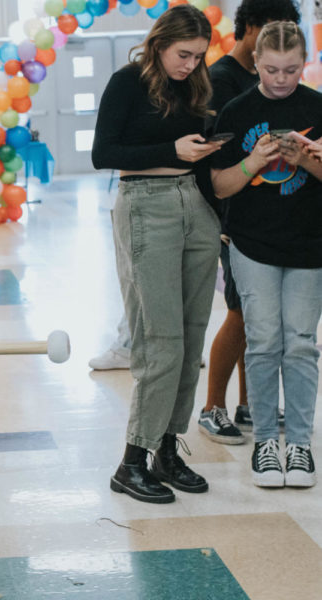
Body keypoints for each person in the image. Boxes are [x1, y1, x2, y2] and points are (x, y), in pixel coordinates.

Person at [92, 5, 226, 504]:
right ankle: (132, 461)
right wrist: (173, 150)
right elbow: (104, 154)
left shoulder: (196, 86)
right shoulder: (127, 82)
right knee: (161, 340)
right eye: (182, 54)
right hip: (146, 205)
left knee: (192, 342)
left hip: (195, 206)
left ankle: (167, 450)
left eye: (197, 56)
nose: (190, 64)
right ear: (159, 43)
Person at [211, 20, 322, 488]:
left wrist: (309, 161)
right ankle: (265, 446)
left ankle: (298, 443)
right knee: (263, 341)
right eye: (272, 69)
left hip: (309, 246)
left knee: (300, 341)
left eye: (292, 70)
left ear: (304, 64)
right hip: (252, 244)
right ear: (254, 61)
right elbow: (220, 185)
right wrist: (254, 161)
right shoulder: (236, 111)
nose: (281, 79)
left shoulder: (317, 106)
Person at [196, 0, 298, 445]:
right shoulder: (222, 82)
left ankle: (247, 403)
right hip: (230, 217)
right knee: (241, 314)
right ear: (253, 30)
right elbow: (216, 157)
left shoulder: (267, 84)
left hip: (268, 218)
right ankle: (212, 407)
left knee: (257, 317)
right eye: (276, 30)